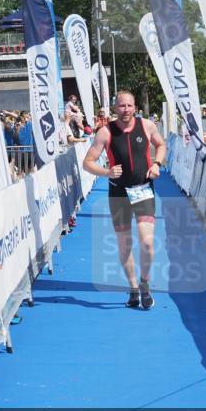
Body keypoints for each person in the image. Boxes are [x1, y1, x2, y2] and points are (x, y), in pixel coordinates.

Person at [82, 90, 167, 310]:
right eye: (121, 106)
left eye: (129, 105)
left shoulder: (147, 126)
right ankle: (133, 288)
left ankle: (145, 284)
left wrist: (157, 164)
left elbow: (161, 145)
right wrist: (107, 172)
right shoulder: (105, 132)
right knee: (124, 244)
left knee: (147, 242)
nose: (126, 110)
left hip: (143, 190)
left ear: (135, 106)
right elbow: (87, 162)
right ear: (115, 108)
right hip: (118, 194)